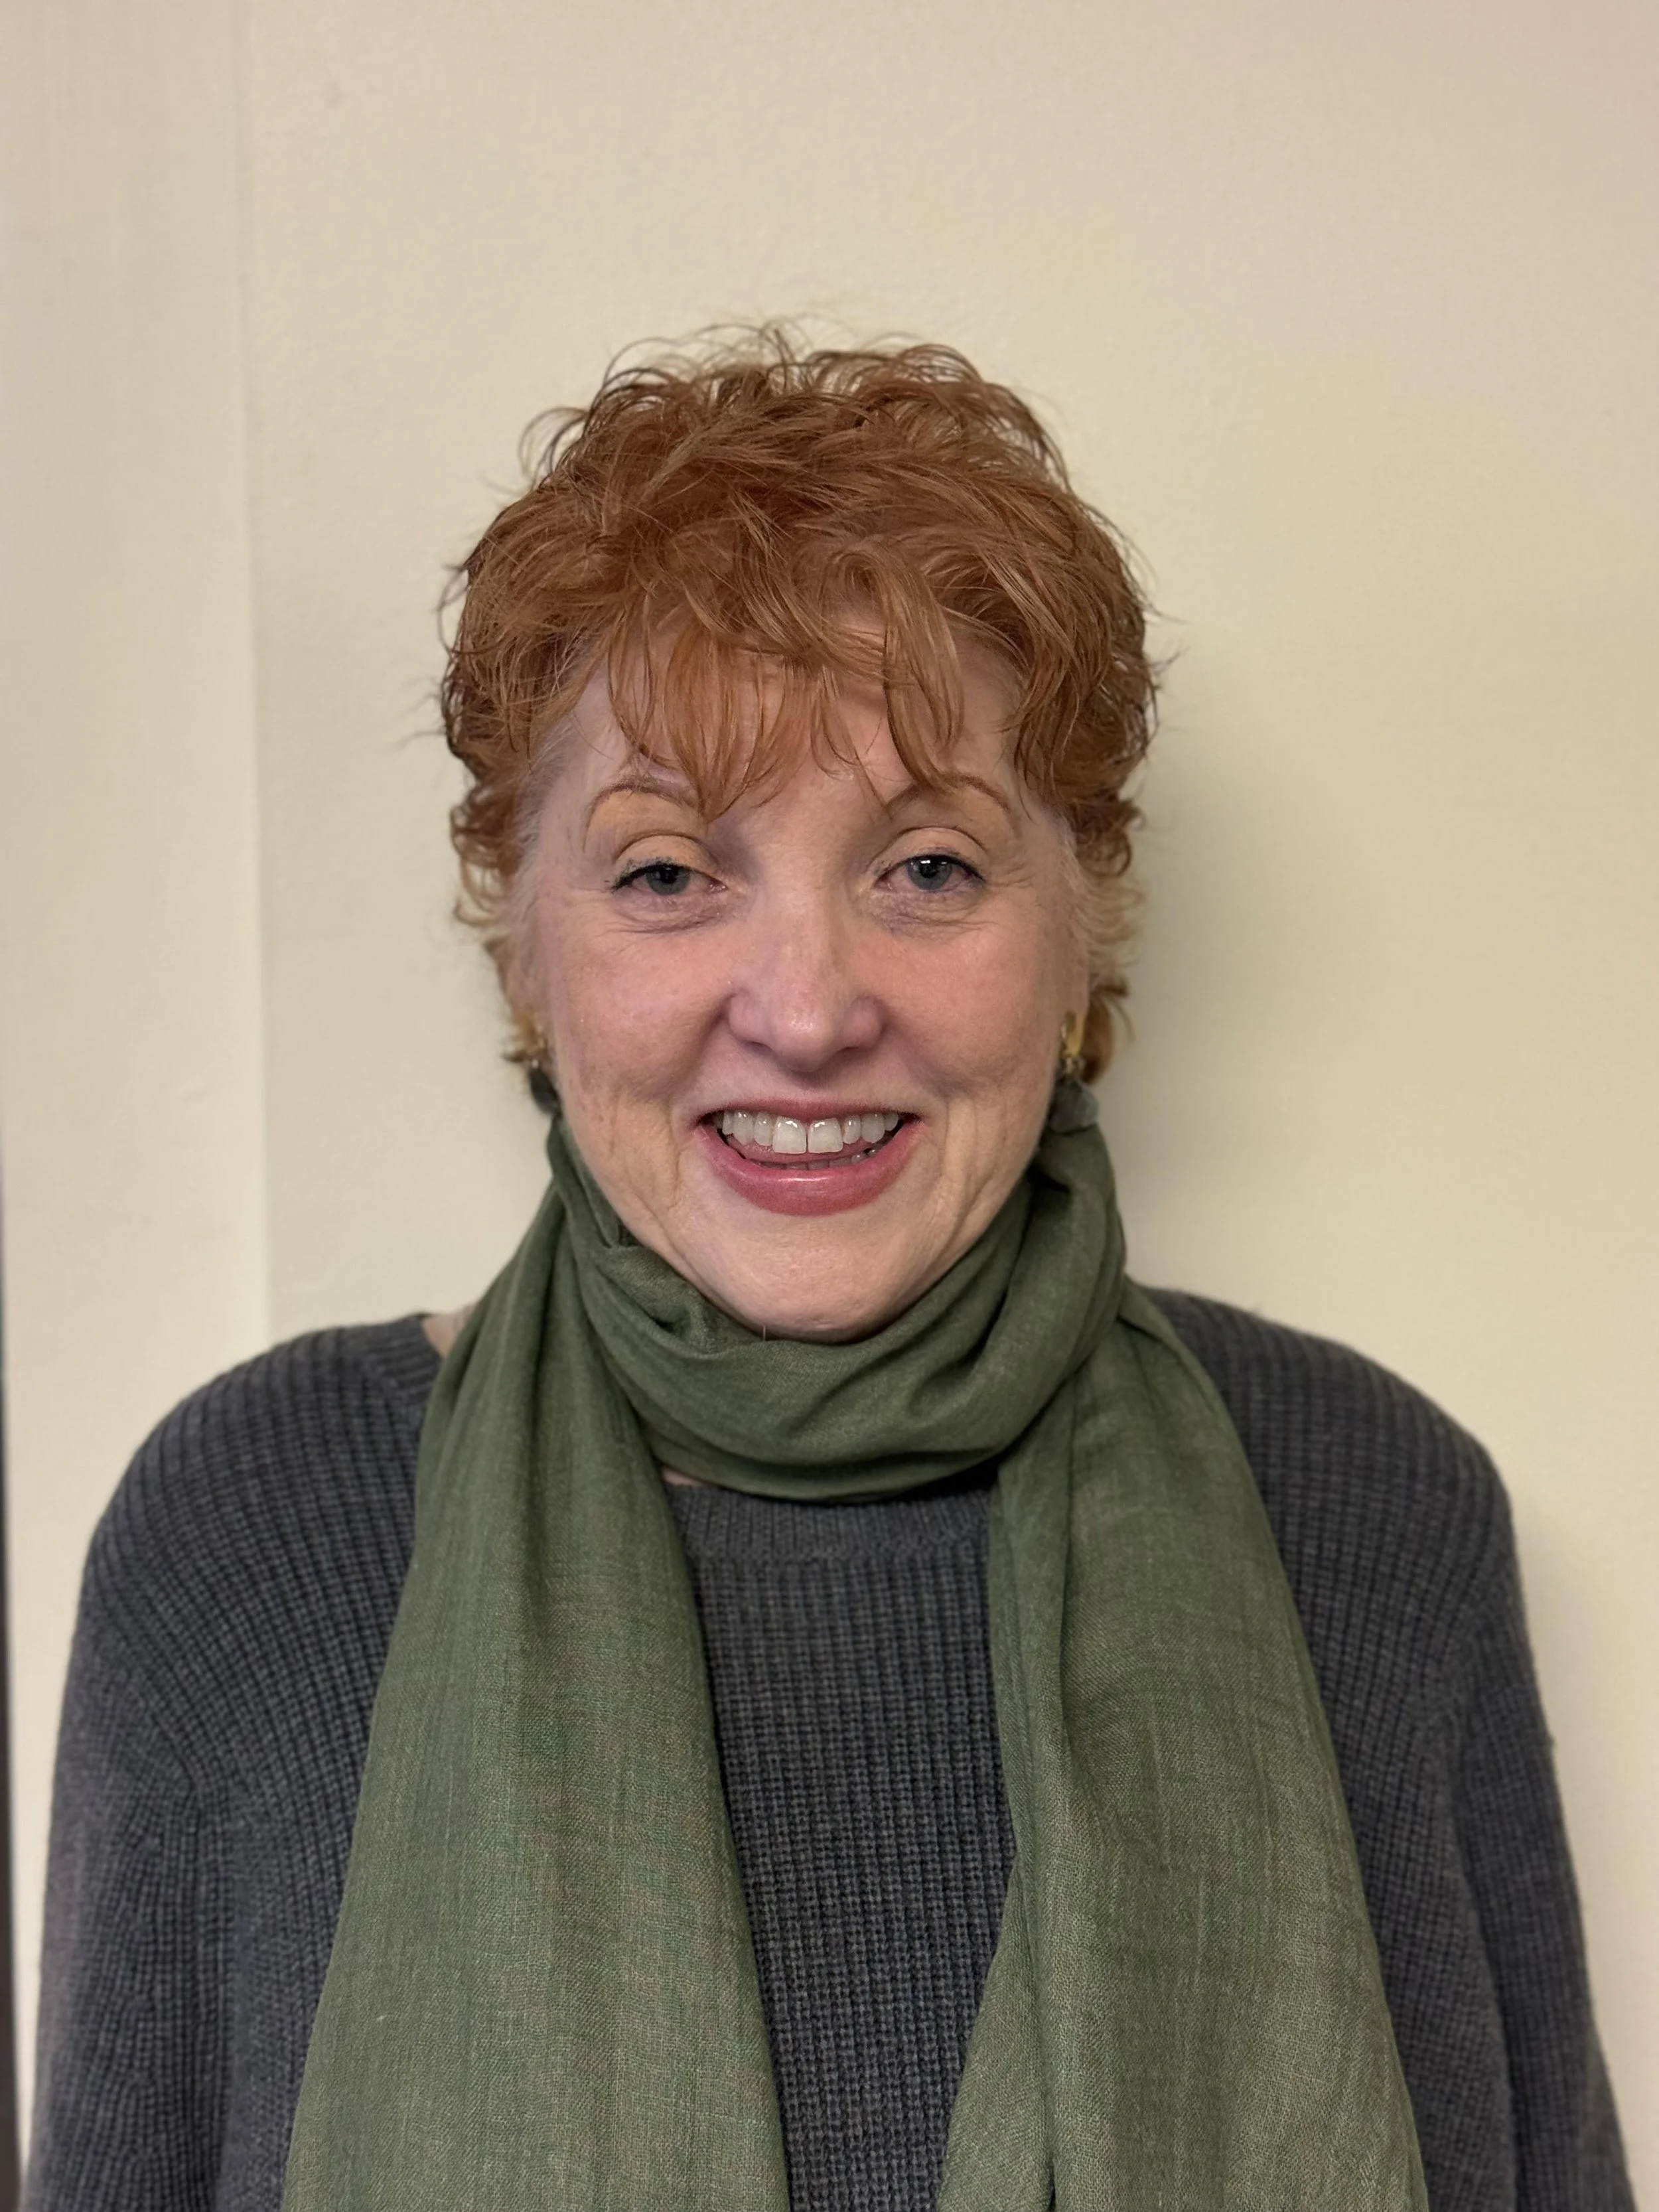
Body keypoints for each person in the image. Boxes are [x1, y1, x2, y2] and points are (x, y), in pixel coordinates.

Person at [27, 334, 1631, 2212]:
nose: (803, 1008)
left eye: (929, 868)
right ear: (524, 952)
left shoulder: (1375, 1512)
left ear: (1079, 924)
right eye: (663, 875)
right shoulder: (249, 1528)